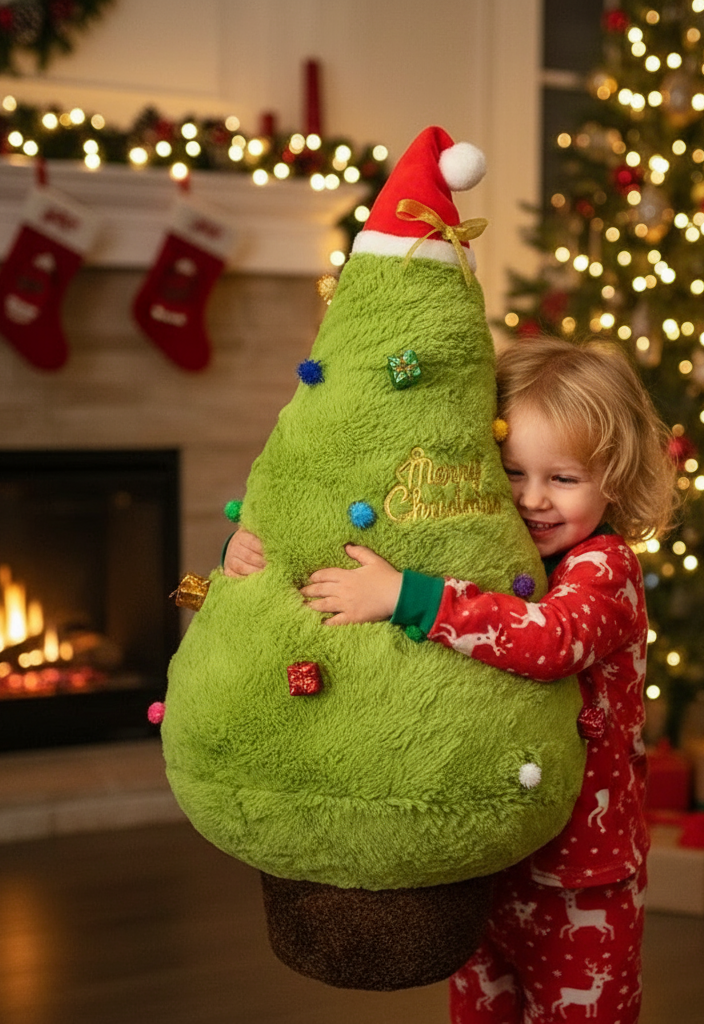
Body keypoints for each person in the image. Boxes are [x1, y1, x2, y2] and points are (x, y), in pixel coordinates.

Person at [224, 335, 676, 1023]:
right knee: (478, 1008)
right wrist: (248, 549)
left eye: (562, 478)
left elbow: (550, 640)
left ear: (612, 476)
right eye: (511, 472)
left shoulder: (603, 568)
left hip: (582, 873)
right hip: (488, 856)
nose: (532, 500)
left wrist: (410, 596)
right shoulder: (495, 549)